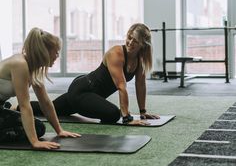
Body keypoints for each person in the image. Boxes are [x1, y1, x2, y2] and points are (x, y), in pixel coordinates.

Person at [30, 23, 159, 125]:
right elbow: (121, 86)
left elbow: (140, 85)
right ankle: (19, 108)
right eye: (129, 37)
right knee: (113, 114)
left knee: (52, 108)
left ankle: (15, 108)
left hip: (91, 95)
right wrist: (127, 118)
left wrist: (143, 111)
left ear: (143, 44)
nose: (130, 42)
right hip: (83, 90)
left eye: (135, 41)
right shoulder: (117, 53)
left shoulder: (141, 59)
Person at [0, 27, 80, 149]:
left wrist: (59, 130)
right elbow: (24, 106)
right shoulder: (19, 64)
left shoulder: (33, 67)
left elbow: (45, 102)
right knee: (33, 130)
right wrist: (35, 142)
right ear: (44, 51)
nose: (58, 56)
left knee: (38, 128)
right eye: (56, 52)